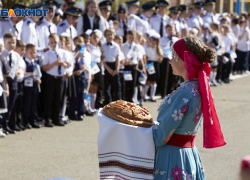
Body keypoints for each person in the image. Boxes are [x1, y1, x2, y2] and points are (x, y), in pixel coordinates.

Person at [153, 37, 226, 180]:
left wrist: (134, 128)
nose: (170, 61)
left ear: (185, 60)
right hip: (189, 154)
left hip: (172, 157)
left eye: (174, 56)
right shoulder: (199, 87)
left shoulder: (184, 94)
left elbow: (160, 137)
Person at [42, 33, 69, 127]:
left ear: (59, 42)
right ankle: (47, 119)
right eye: (51, 42)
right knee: (49, 99)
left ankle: (56, 118)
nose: (53, 44)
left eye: (55, 42)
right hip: (51, 77)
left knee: (58, 99)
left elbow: (68, 65)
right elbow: (44, 68)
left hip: (60, 77)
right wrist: (54, 64)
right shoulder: (47, 54)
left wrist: (63, 64)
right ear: (49, 43)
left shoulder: (63, 52)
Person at [0, 33, 22, 134]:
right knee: (4, 105)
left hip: (14, 81)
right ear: (4, 43)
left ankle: (6, 124)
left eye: (13, 42)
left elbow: (19, 67)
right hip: (5, 81)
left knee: (11, 105)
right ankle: (1, 125)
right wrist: (7, 73)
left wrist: (17, 71)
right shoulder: (2, 55)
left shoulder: (16, 55)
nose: (12, 45)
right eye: (9, 42)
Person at [22, 44, 41, 129]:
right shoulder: (24, 63)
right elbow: (22, 74)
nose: (33, 54)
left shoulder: (36, 63)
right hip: (26, 87)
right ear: (26, 53)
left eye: (35, 52)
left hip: (34, 86)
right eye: (31, 53)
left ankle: (33, 120)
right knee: (27, 104)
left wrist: (38, 79)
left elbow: (38, 74)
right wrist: (29, 75)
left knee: (34, 104)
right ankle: (26, 121)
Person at [159, 24, 179, 98]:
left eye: (171, 29)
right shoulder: (163, 39)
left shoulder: (176, 39)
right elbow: (162, 48)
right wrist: (168, 53)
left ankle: (172, 91)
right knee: (164, 76)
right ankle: (164, 92)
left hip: (174, 59)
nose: (170, 31)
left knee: (173, 76)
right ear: (166, 31)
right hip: (166, 59)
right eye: (168, 30)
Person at [68, 44, 87, 120]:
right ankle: (72, 114)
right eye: (80, 52)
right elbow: (69, 70)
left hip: (81, 80)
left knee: (81, 97)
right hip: (75, 80)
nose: (82, 54)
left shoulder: (82, 59)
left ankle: (81, 113)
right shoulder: (73, 59)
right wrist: (75, 72)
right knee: (74, 97)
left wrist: (84, 68)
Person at [102, 28, 121, 105]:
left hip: (114, 66)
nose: (110, 36)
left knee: (117, 86)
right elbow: (102, 59)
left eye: (111, 35)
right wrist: (109, 69)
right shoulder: (102, 46)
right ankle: (108, 103)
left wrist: (116, 69)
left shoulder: (116, 46)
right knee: (107, 87)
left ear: (114, 36)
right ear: (105, 36)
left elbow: (117, 58)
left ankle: (118, 103)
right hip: (106, 66)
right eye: (108, 35)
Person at [87, 29, 104, 113]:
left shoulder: (98, 48)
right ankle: (88, 107)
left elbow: (100, 60)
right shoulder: (88, 48)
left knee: (95, 89)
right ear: (90, 38)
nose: (96, 39)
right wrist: (90, 72)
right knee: (89, 89)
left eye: (97, 37)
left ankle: (93, 107)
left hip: (97, 68)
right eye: (94, 37)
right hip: (91, 67)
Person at [11, 40, 26, 131]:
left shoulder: (22, 59)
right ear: (16, 49)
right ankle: (12, 123)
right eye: (21, 50)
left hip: (21, 83)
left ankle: (18, 122)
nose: (23, 52)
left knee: (19, 104)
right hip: (15, 82)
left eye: (24, 50)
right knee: (14, 104)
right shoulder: (14, 58)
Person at [121, 30, 140, 102]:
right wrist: (125, 61)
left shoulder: (136, 46)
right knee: (126, 84)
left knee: (133, 84)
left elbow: (137, 57)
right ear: (126, 37)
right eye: (130, 37)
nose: (131, 39)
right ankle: (125, 99)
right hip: (126, 67)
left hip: (133, 67)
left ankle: (131, 100)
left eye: (132, 38)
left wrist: (137, 66)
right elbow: (122, 56)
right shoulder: (123, 46)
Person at [144, 31, 162, 102]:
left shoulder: (158, 48)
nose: (148, 42)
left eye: (150, 41)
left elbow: (160, 59)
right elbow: (145, 57)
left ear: (154, 41)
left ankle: (152, 96)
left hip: (156, 64)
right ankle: (144, 95)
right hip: (149, 64)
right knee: (148, 80)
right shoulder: (146, 48)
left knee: (154, 81)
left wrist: (160, 57)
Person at [0, 41, 9, 137]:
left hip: (1, 87)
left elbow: (4, 75)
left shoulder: (0, 61)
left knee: (1, 109)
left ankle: (0, 127)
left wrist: (6, 86)